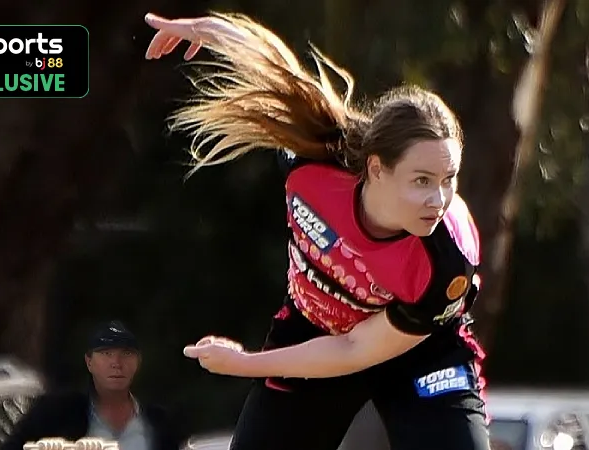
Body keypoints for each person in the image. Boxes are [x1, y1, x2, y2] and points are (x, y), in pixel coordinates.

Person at [144, 11, 488, 450]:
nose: (438, 200)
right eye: (421, 181)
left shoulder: (447, 258)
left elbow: (354, 350)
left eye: (448, 179)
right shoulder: (318, 161)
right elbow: (271, 71)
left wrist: (244, 362)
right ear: (376, 169)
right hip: (313, 334)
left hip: (420, 353)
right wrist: (205, 32)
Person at [2, 321, 186, 450]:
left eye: (126, 354)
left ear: (138, 362)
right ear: (89, 362)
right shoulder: (56, 414)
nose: (116, 362)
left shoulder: (159, 424)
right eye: (106, 353)